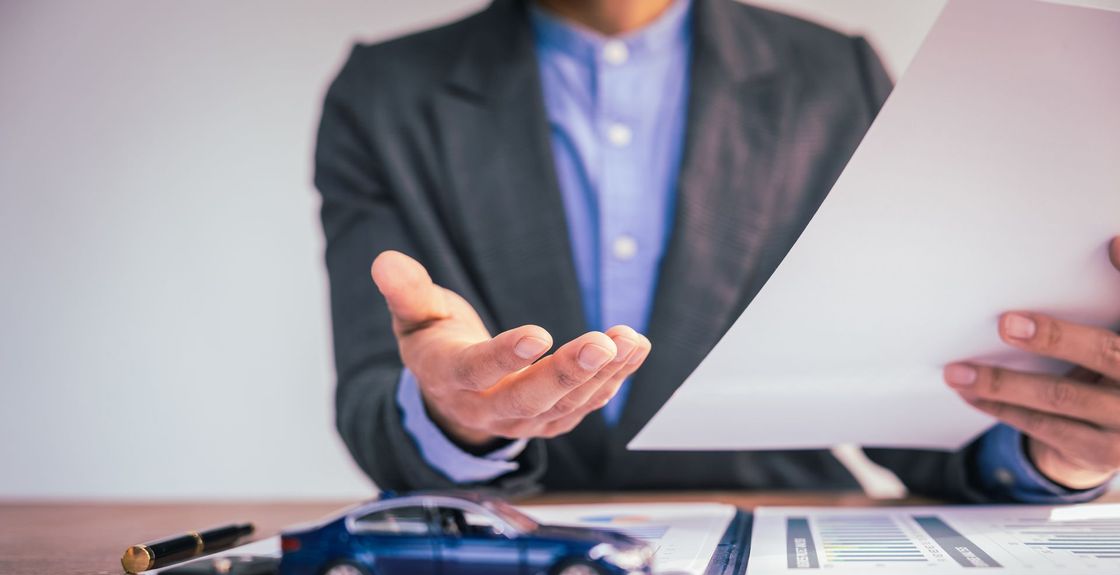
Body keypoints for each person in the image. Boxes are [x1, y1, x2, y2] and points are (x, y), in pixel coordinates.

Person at [316, 0, 1119, 502]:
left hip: (789, 573)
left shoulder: (832, 76)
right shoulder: (383, 96)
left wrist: (1055, 448)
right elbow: (373, 398)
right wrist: (456, 413)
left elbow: (905, 399)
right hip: (502, 572)